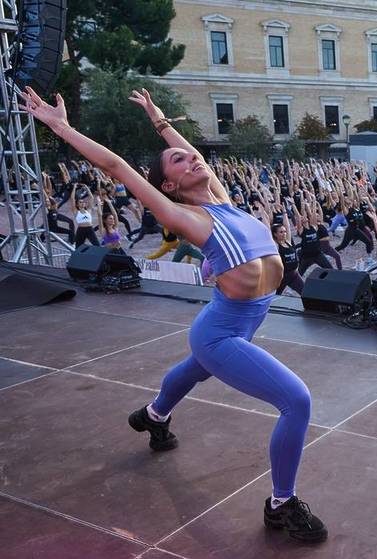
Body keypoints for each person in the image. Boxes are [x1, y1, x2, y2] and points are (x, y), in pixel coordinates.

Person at [20, 86, 326, 543]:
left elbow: (194, 156)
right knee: (296, 401)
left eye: (192, 156)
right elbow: (116, 167)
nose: (192, 159)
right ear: (169, 187)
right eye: (179, 162)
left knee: (195, 371)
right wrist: (61, 127)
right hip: (220, 335)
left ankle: (154, 414)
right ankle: (282, 504)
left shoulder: (224, 203)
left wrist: (159, 120)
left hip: (237, 322)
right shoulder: (188, 218)